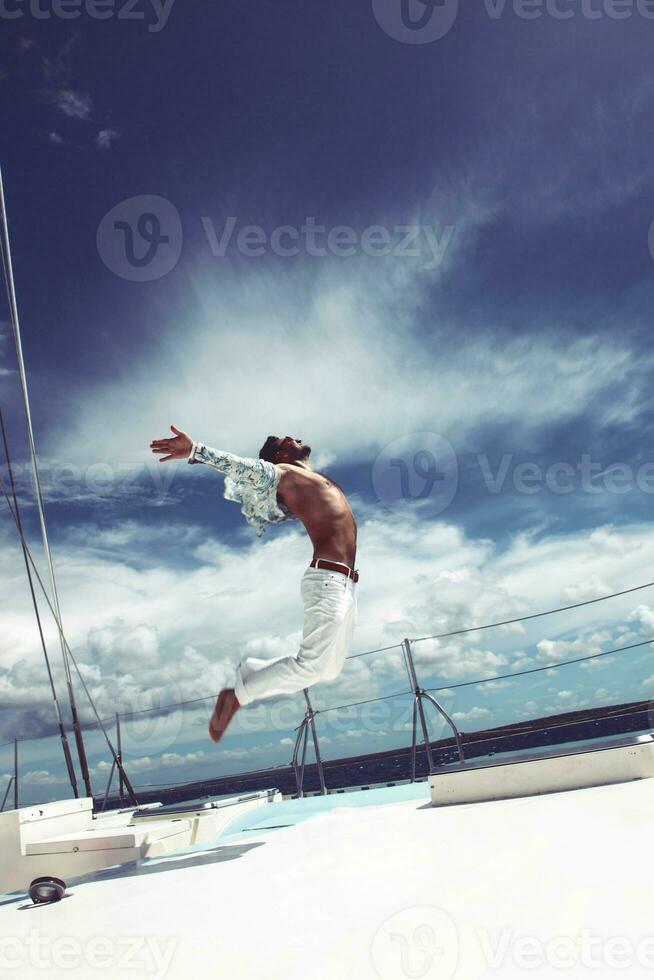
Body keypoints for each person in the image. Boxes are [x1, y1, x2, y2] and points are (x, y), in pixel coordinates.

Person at [149, 425, 358, 743]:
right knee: (313, 666)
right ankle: (236, 696)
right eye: (286, 440)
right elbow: (241, 466)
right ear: (281, 455)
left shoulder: (309, 479)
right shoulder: (283, 472)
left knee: (328, 670)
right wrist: (196, 450)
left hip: (344, 583)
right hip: (328, 579)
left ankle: (252, 671)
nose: (295, 437)